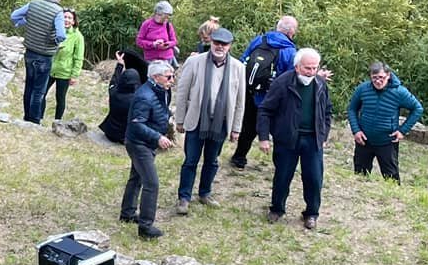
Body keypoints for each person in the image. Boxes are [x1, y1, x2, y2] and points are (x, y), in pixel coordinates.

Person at [170, 26, 246, 214]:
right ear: (211, 42)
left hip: (221, 123)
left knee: (212, 161)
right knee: (190, 161)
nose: (220, 47)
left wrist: (236, 128)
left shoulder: (238, 67)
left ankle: (205, 193)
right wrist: (179, 120)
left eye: (224, 44)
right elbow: (182, 92)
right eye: (217, 43)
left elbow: (240, 101)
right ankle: (184, 197)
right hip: (196, 120)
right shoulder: (194, 62)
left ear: (230, 46)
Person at [257, 46, 332, 230]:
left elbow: (327, 112)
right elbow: (265, 110)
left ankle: (311, 213)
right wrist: (264, 137)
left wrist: (323, 134)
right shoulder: (282, 83)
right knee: (283, 176)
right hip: (287, 139)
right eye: (307, 68)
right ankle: (277, 209)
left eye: (314, 68)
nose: (311, 72)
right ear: (297, 66)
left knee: (314, 178)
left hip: (312, 140)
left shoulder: (321, 84)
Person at [231, 15, 299, 170]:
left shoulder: (259, 40)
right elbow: (290, 77)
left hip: (249, 90)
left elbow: (243, 61)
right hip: (272, 96)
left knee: (248, 126)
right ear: (291, 32)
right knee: (278, 129)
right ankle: (282, 165)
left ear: (278, 27)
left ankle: (239, 157)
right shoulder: (290, 51)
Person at [120, 60, 175, 239]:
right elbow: (137, 124)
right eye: (168, 77)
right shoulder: (144, 96)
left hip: (145, 142)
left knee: (136, 177)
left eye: (172, 76)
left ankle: (127, 213)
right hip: (139, 143)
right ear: (155, 77)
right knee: (151, 183)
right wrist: (158, 137)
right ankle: (145, 227)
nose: (172, 80)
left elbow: (159, 111)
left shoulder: (162, 90)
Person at [347, 62, 423, 183]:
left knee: (391, 180)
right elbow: (352, 109)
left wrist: (402, 131)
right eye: (374, 78)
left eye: (381, 77)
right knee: (360, 177)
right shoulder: (362, 89)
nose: (378, 81)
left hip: (387, 141)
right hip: (364, 140)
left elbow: (417, 108)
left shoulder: (399, 92)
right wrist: (356, 131)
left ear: (388, 75)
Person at [9, 0, 68, 125]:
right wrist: (54, 42)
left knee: (29, 86)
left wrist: (24, 21)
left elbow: (14, 16)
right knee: (39, 90)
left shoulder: (34, 3)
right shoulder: (58, 12)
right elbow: (61, 35)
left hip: (29, 52)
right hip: (45, 56)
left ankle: (26, 116)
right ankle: (34, 121)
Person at [97, 47, 148, 146]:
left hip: (111, 133)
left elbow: (114, 80)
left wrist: (120, 65)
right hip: (128, 136)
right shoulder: (140, 99)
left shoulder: (114, 92)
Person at [48, 10, 86, 121]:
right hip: (49, 69)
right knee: (41, 94)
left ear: (74, 21)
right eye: (64, 17)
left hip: (65, 72)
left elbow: (78, 58)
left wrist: (74, 75)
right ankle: (38, 119)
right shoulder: (53, 31)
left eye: (69, 18)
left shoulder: (77, 36)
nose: (66, 20)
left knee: (60, 98)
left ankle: (57, 122)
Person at [136, 2, 179, 68]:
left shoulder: (168, 25)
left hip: (167, 59)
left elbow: (174, 41)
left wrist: (166, 45)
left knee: (166, 74)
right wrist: (153, 44)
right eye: (165, 16)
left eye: (167, 17)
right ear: (158, 14)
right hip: (151, 59)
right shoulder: (146, 24)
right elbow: (139, 41)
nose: (166, 19)